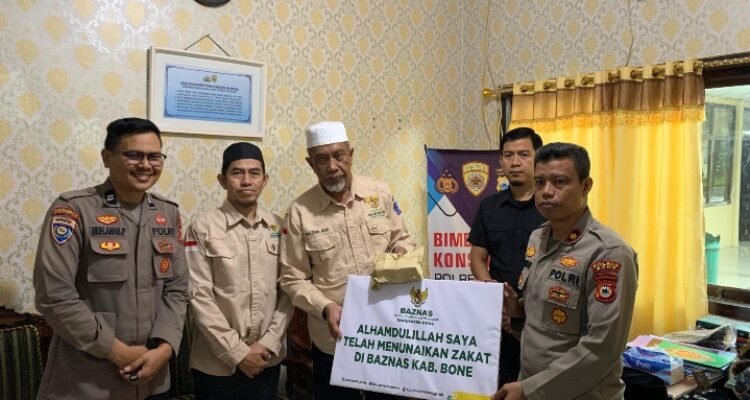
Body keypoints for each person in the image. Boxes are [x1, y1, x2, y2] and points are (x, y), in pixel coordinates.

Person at [33, 117, 188, 399]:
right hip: (88, 382)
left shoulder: (168, 213)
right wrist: (116, 351)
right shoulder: (73, 210)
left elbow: (177, 289)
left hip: (154, 379)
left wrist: (165, 348)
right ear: (107, 157)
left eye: (154, 156)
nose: (145, 165)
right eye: (134, 155)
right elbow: (54, 296)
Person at [279, 121, 415, 400]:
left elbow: (402, 239)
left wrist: (400, 255)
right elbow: (293, 278)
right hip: (334, 340)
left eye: (339, 155)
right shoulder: (300, 212)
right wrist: (325, 307)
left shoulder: (379, 193)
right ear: (310, 164)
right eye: (321, 159)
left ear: (350, 154)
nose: (332, 166)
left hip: (386, 332)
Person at [492, 142, 638, 400]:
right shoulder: (538, 238)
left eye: (559, 182)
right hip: (532, 386)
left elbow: (601, 348)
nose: (547, 192)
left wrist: (530, 390)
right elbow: (547, 320)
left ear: (586, 186)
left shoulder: (608, 253)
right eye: (540, 182)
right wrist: (517, 311)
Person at [185, 142, 293, 400]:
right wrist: (238, 353)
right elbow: (198, 296)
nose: (246, 181)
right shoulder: (202, 228)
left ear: (265, 180)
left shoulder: (279, 228)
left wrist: (269, 343)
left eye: (254, 173)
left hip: (266, 359)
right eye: (237, 173)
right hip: (216, 364)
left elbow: (288, 291)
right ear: (222, 180)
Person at [468, 127, 546, 387]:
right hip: (499, 319)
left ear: (538, 157)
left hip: (541, 317)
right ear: (500, 161)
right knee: (500, 384)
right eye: (508, 155)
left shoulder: (550, 206)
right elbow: (477, 258)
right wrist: (493, 294)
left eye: (523, 154)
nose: (515, 162)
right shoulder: (489, 207)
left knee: (538, 386)